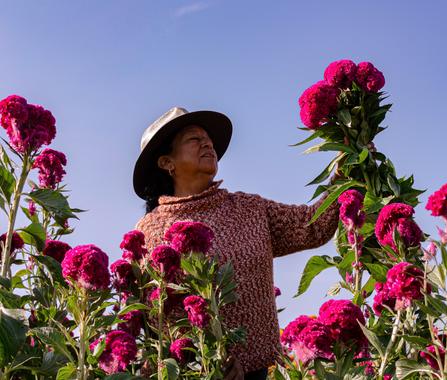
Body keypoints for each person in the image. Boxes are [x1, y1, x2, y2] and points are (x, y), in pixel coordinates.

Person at [132, 107, 342, 379]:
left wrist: (343, 173)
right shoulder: (150, 230)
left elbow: (312, 225)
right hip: (193, 371)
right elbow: (148, 313)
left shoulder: (249, 209)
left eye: (208, 139)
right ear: (166, 162)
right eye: (193, 139)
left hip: (257, 372)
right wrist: (202, 360)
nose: (207, 143)